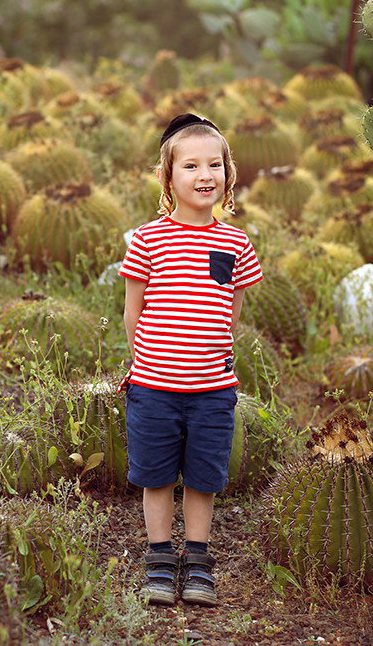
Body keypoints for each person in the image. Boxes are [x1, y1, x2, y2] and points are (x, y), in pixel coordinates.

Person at [118, 113, 263, 607]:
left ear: (228, 174)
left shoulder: (236, 243)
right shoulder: (148, 239)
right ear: (168, 177)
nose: (205, 175)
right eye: (191, 165)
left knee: (203, 478)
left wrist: (205, 357)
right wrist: (153, 363)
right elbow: (133, 313)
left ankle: (197, 560)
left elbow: (231, 316)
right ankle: (160, 559)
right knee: (156, 476)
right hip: (154, 387)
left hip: (213, 391)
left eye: (215, 165)